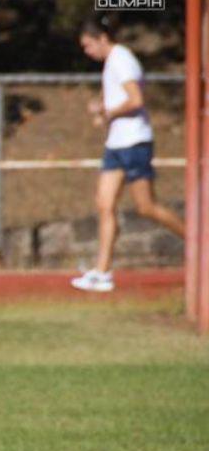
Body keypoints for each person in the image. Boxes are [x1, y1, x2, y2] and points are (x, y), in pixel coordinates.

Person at [71, 16, 185, 292]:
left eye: (88, 46)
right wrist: (101, 108)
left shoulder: (121, 59)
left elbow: (135, 100)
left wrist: (108, 111)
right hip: (116, 144)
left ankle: (199, 245)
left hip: (135, 143)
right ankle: (102, 272)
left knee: (146, 207)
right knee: (104, 203)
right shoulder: (112, 62)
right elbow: (115, 96)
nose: (88, 52)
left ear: (102, 38)